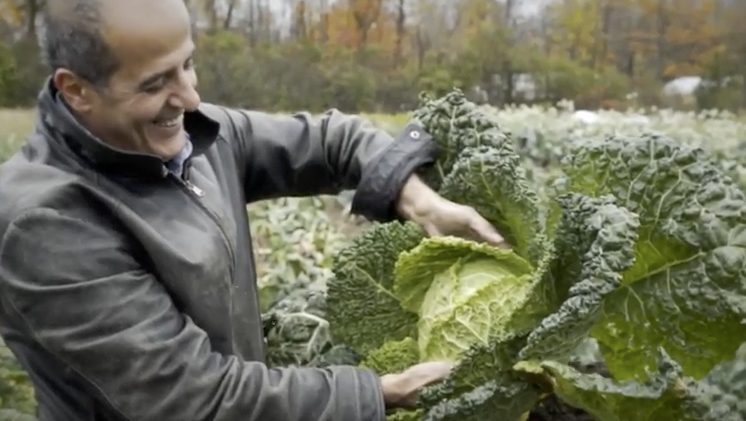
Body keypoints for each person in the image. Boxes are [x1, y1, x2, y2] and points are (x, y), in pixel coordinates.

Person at [0, 0, 506, 420]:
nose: (190, 96)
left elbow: (333, 139)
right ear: (76, 90)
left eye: (188, 64)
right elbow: (190, 399)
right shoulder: (44, 224)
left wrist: (421, 200)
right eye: (156, 84)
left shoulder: (199, 134)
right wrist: (381, 392)